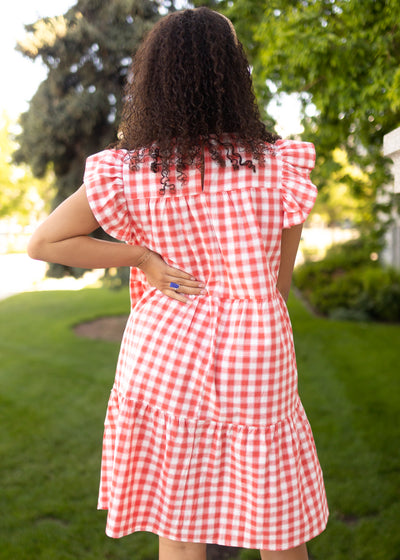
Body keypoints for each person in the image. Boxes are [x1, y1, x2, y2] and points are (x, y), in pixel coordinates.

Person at [28, 7, 328, 560]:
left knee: (180, 519)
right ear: (232, 73)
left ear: (159, 77)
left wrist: (142, 258)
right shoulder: (278, 165)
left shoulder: (131, 169)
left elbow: (44, 242)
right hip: (252, 351)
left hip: (162, 350)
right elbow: (278, 286)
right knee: (277, 524)